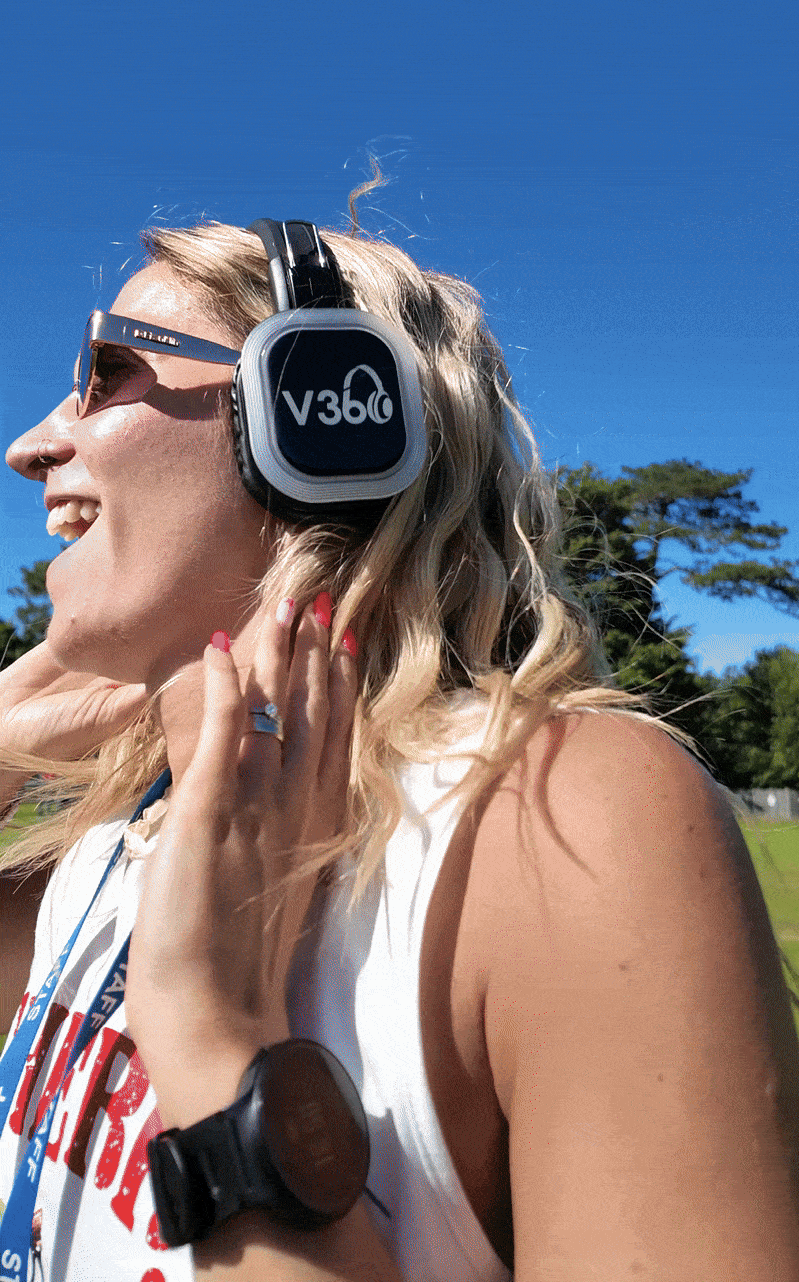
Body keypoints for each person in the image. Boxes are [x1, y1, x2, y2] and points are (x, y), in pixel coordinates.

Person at [0, 214, 798, 1282]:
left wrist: (214, 1039)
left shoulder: (557, 822)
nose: (29, 445)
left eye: (106, 372)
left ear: (316, 416)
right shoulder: (114, 838)